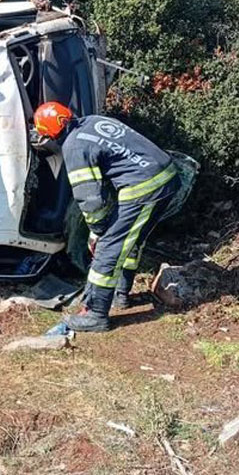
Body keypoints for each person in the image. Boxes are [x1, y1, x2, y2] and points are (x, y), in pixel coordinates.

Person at [32, 102, 181, 332]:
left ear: (49, 135)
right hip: (166, 175)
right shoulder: (93, 121)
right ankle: (121, 295)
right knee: (130, 240)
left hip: (144, 186)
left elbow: (90, 199)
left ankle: (96, 314)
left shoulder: (73, 147)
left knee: (109, 248)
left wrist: (98, 231)